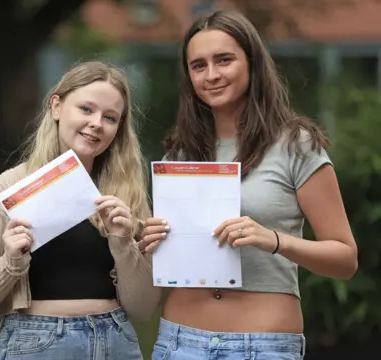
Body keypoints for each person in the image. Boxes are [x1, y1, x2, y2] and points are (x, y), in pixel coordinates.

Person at [140, 10, 358, 360]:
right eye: (198, 65)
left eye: (224, 60)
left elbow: (345, 259)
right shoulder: (180, 152)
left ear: (252, 63)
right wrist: (150, 241)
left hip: (263, 346)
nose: (211, 75)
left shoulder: (296, 145)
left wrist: (272, 239)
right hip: (180, 342)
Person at [0, 61, 161, 360]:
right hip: (36, 342)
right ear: (56, 106)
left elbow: (143, 307)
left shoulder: (126, 194)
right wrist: (10, 262)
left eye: (110, 117)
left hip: (116, 341)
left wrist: (122, 243)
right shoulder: (10, 187)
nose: (96, 123)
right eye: (86, 109)